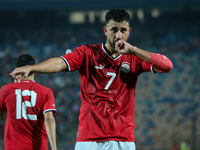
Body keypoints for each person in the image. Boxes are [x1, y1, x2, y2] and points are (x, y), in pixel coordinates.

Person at [10, 9, 173, 150]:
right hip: (89, 139)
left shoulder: (134, 58)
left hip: (123, 139)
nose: (118, 35)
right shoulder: (88, 53)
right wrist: (33, 67)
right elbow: (60, 62)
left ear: (129, 31)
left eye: (123, 30)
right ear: (105, 30)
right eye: (113, 29)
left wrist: (133, 49)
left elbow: (167, 66)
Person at [0, 54, 57, 150]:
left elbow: (1, 115)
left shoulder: (6, 89)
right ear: (35, 71)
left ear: (17, 70)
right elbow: (49, 119)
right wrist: (54, 148)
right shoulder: (46, 91)